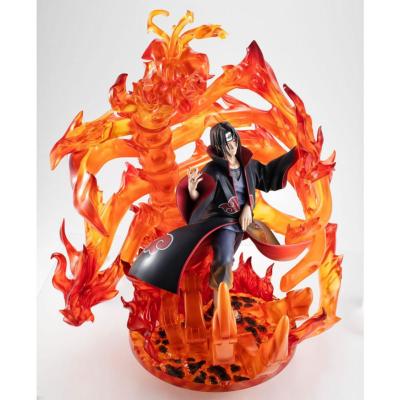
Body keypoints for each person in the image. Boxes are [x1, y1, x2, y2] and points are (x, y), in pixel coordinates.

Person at [127, 122, 301, 305]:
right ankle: (220, 309)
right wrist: (192, 190)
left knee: (231, 260)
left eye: (233, 139)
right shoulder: (213, 170)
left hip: (244, 224)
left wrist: (295, 154)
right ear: (219, 146)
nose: (232, 145)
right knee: (223, 261)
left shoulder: (249, 165)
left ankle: (222, 304)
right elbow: (202, 196)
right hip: (224, 224)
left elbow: (267, 175)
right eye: (227, 142)